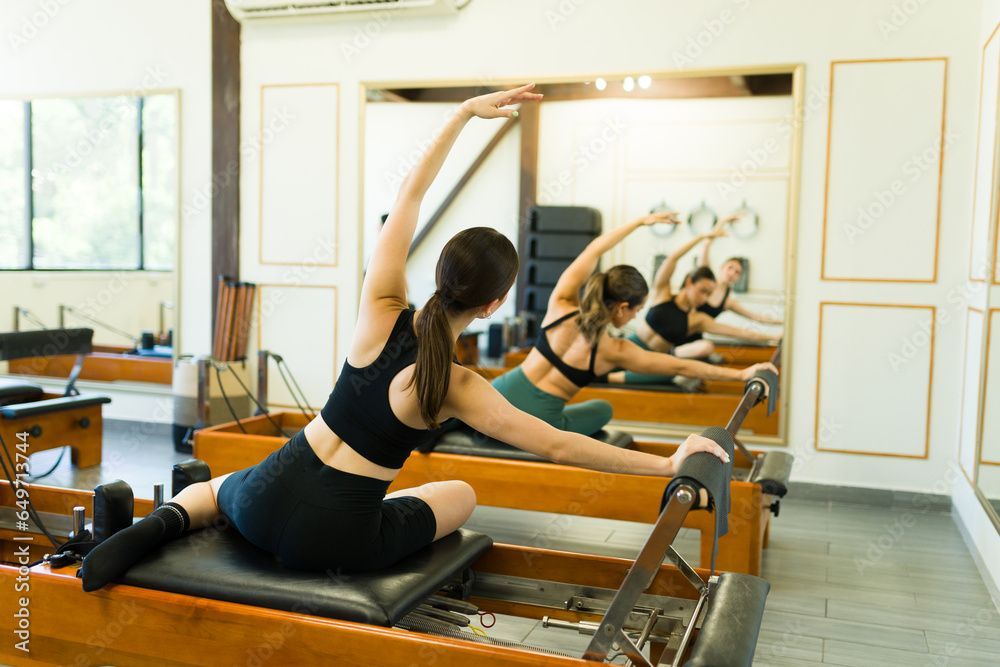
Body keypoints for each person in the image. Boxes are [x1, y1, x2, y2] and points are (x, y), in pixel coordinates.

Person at [79, 85, 730, 591]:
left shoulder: (379, 309)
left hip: (266, 492)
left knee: (217, 488)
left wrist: (463, 115)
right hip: (332, 537)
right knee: (460, 494)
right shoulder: (458, 385)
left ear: (441, 270)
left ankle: (153, 526)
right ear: (495, 302)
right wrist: (667, 464)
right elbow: (560, 445)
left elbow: (409, 194)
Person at [492, 212, 778, 435]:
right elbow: (680, 366)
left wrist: (640, 222)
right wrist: (741, 375)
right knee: (602, 409)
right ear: (623, 307)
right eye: (636, 310)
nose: (636, 317)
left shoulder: (560, 305)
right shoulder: (614, 350)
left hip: (502, 391)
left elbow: (593, 250)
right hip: (541, 419)